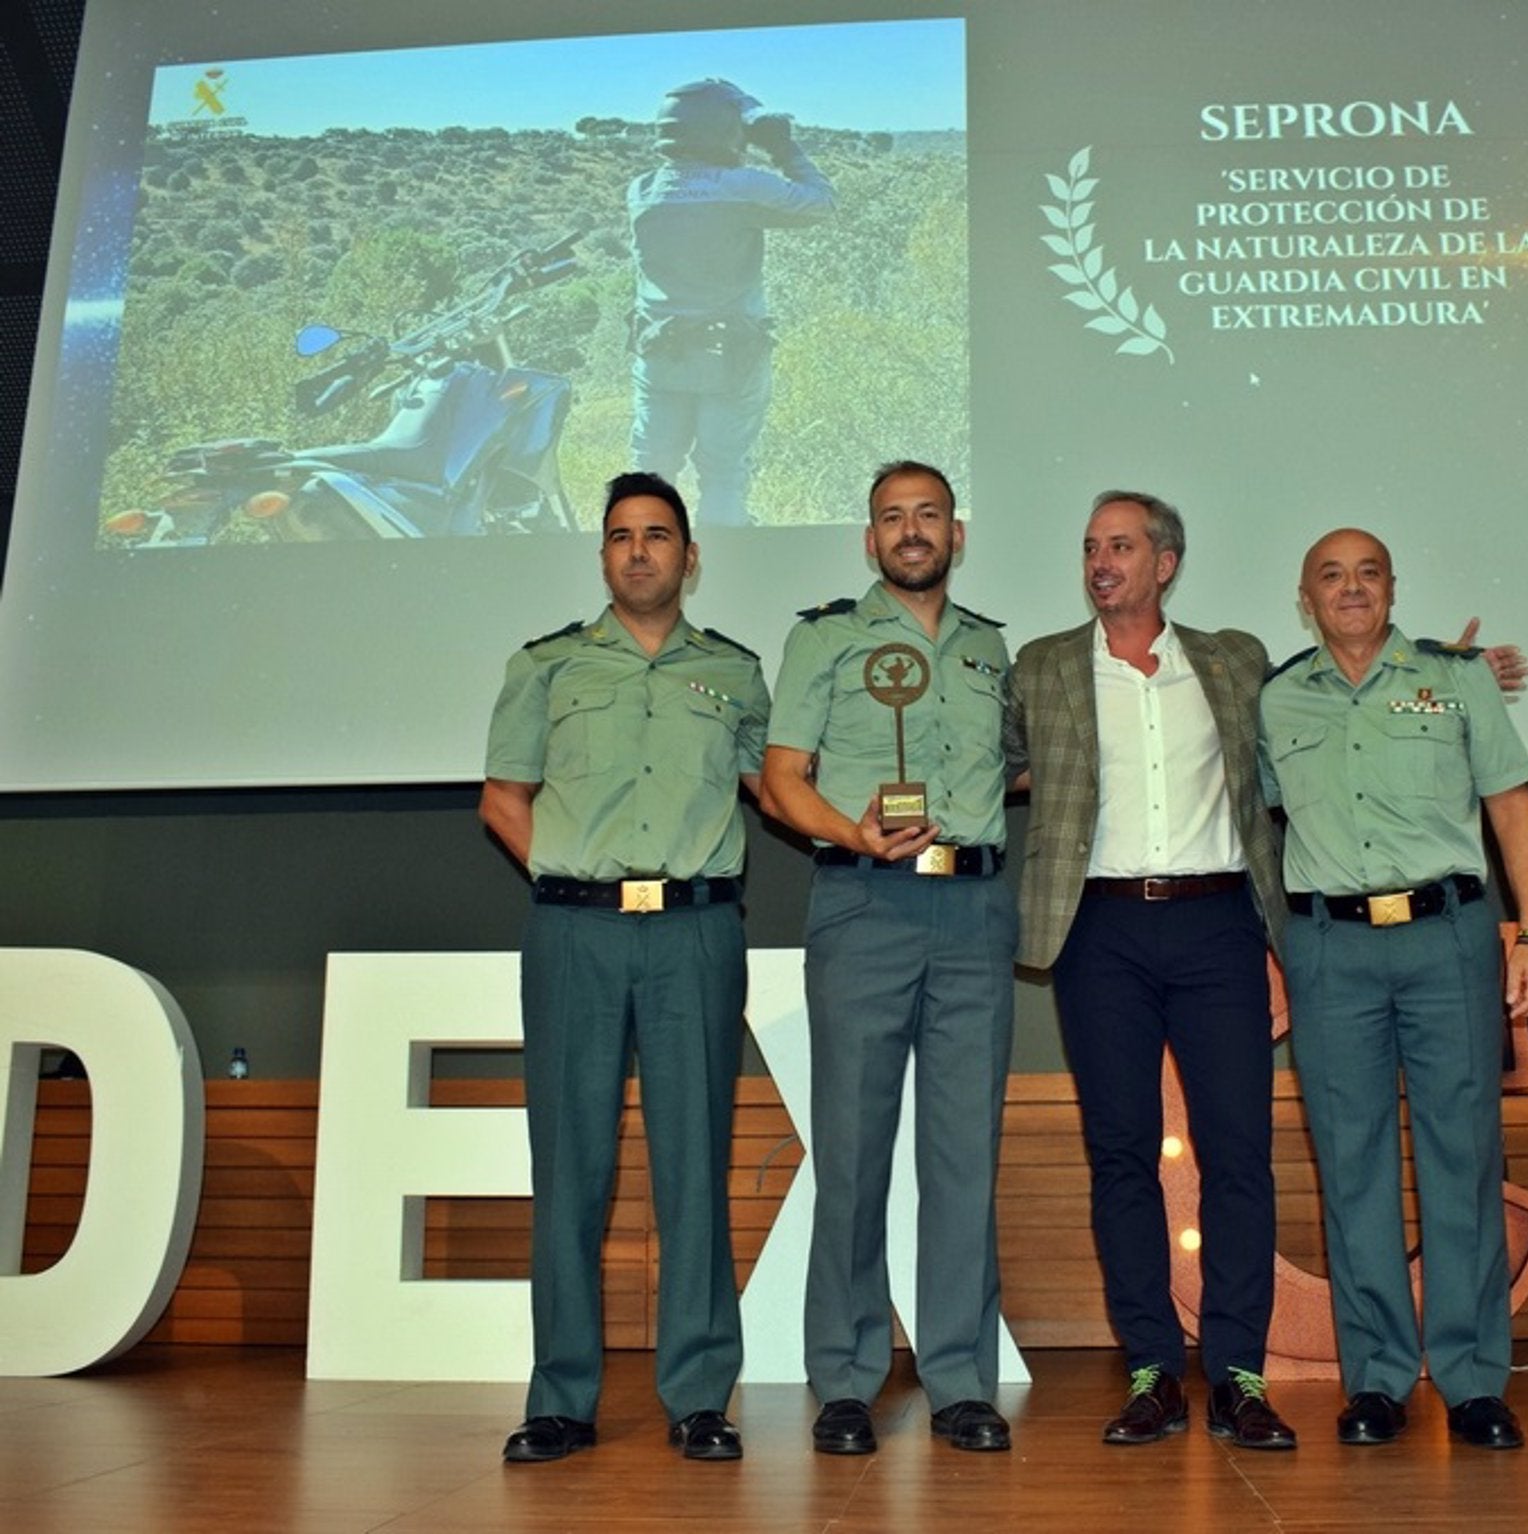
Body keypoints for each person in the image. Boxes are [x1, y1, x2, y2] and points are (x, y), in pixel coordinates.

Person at [481, 471, 769, 1464]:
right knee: (571, 1168)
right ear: (602, 556)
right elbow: (503, 797)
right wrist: (575, 875)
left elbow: (777, 784)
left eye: (658, 535)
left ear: (691, 557)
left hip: (694, 932)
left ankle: (699, 1397)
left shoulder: (735, 672)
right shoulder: (548, 667)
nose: (638, 550)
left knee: (695, 1163)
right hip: (577, 936)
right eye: (620, 536)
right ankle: (561, 1397)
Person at [1004, 490, 1297, 1450]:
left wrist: (1458, 671)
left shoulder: (1233, 660)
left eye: (1121, 546)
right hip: (1101, 935)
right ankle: (1151, 1371)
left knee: (1239, 1156)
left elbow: (1311, 728)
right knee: (1122, 1155)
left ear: (1165, 562)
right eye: (1091, 546)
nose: (1101, 561)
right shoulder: (1044, 666)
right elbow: (984, 758)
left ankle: (1240, 1373)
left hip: (1219, 929)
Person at [1258, 527, 1528, 1451]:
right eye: (1332, 577)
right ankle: (1377, 1379)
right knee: (1353, 1167)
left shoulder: (1455, 678)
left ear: (1393, 588)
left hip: (1448, 939)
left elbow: (1511, 802)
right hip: (1331, 950)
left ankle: (1471, 1383)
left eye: (1369, 574)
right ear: (1304, 599)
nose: (1352, 590)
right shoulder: (1275, 699)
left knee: (1463, 1158)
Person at [759, 461, 1017, 1455]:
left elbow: (1026, 765)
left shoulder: (994, 648)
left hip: (974, 911)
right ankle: (847, 1379)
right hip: (864, 904)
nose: (911, 531)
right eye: (892, 518)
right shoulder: (824, 635)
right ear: (870, 540)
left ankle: (959, 1379)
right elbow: (783, 778)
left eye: (929, 515)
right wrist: (853, 833)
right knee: (855, 1152)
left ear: (957, 531)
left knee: (964, 1158)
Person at [627, 79, 835, 528]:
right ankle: (728, 572)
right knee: (722, 476)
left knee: (650, 477)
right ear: (723, 130)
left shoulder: (641, 190)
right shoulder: (740, 187)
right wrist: (783, 149)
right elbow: (821, 205)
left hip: (660, 353)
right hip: (730, 355)